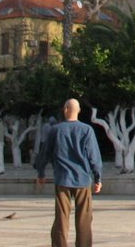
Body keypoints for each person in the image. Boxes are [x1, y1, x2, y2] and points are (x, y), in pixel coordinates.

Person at [35, 98, 103, 247]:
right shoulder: (87, 130)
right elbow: (94, 156)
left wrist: (41, 174)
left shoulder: (55, 130)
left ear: (65, 109)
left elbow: (44, 154)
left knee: (61, 218)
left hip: (62, 180)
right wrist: (98, 178)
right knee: (84, 219)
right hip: (83, 180)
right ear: (78, 111)